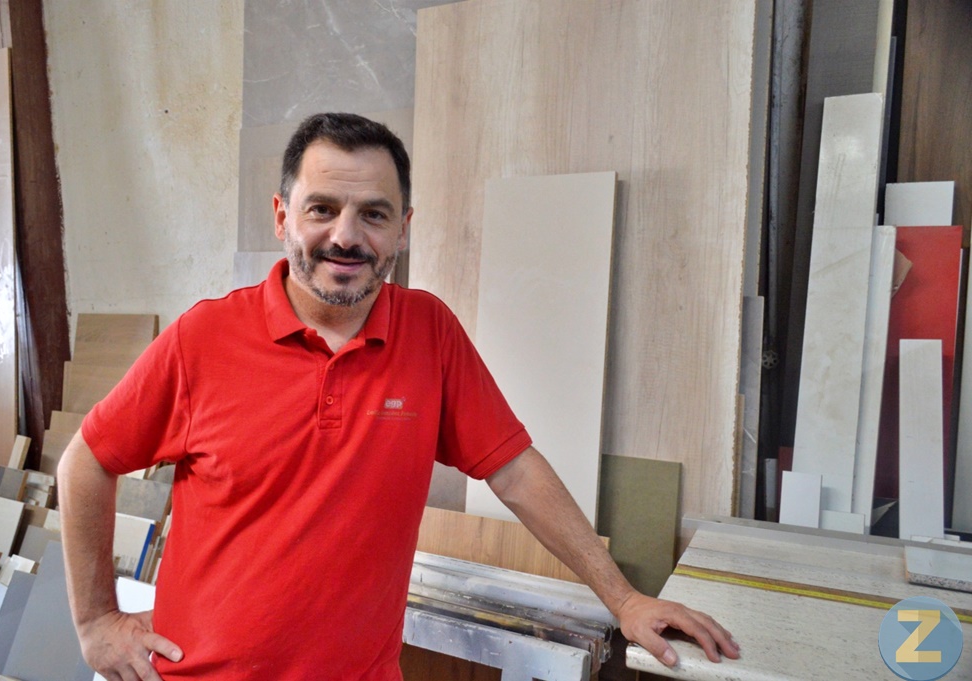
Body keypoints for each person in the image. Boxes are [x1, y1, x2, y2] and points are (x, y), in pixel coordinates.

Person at [58, 112, 739, 680]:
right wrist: (95, 620)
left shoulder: (429, 333)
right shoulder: (204, 338)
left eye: (374, 214)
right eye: (322, 209)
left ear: (403, 228)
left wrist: (623, 598)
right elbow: (87, 460)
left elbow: (514, 470)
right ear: (282, 216)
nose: (346, 236)